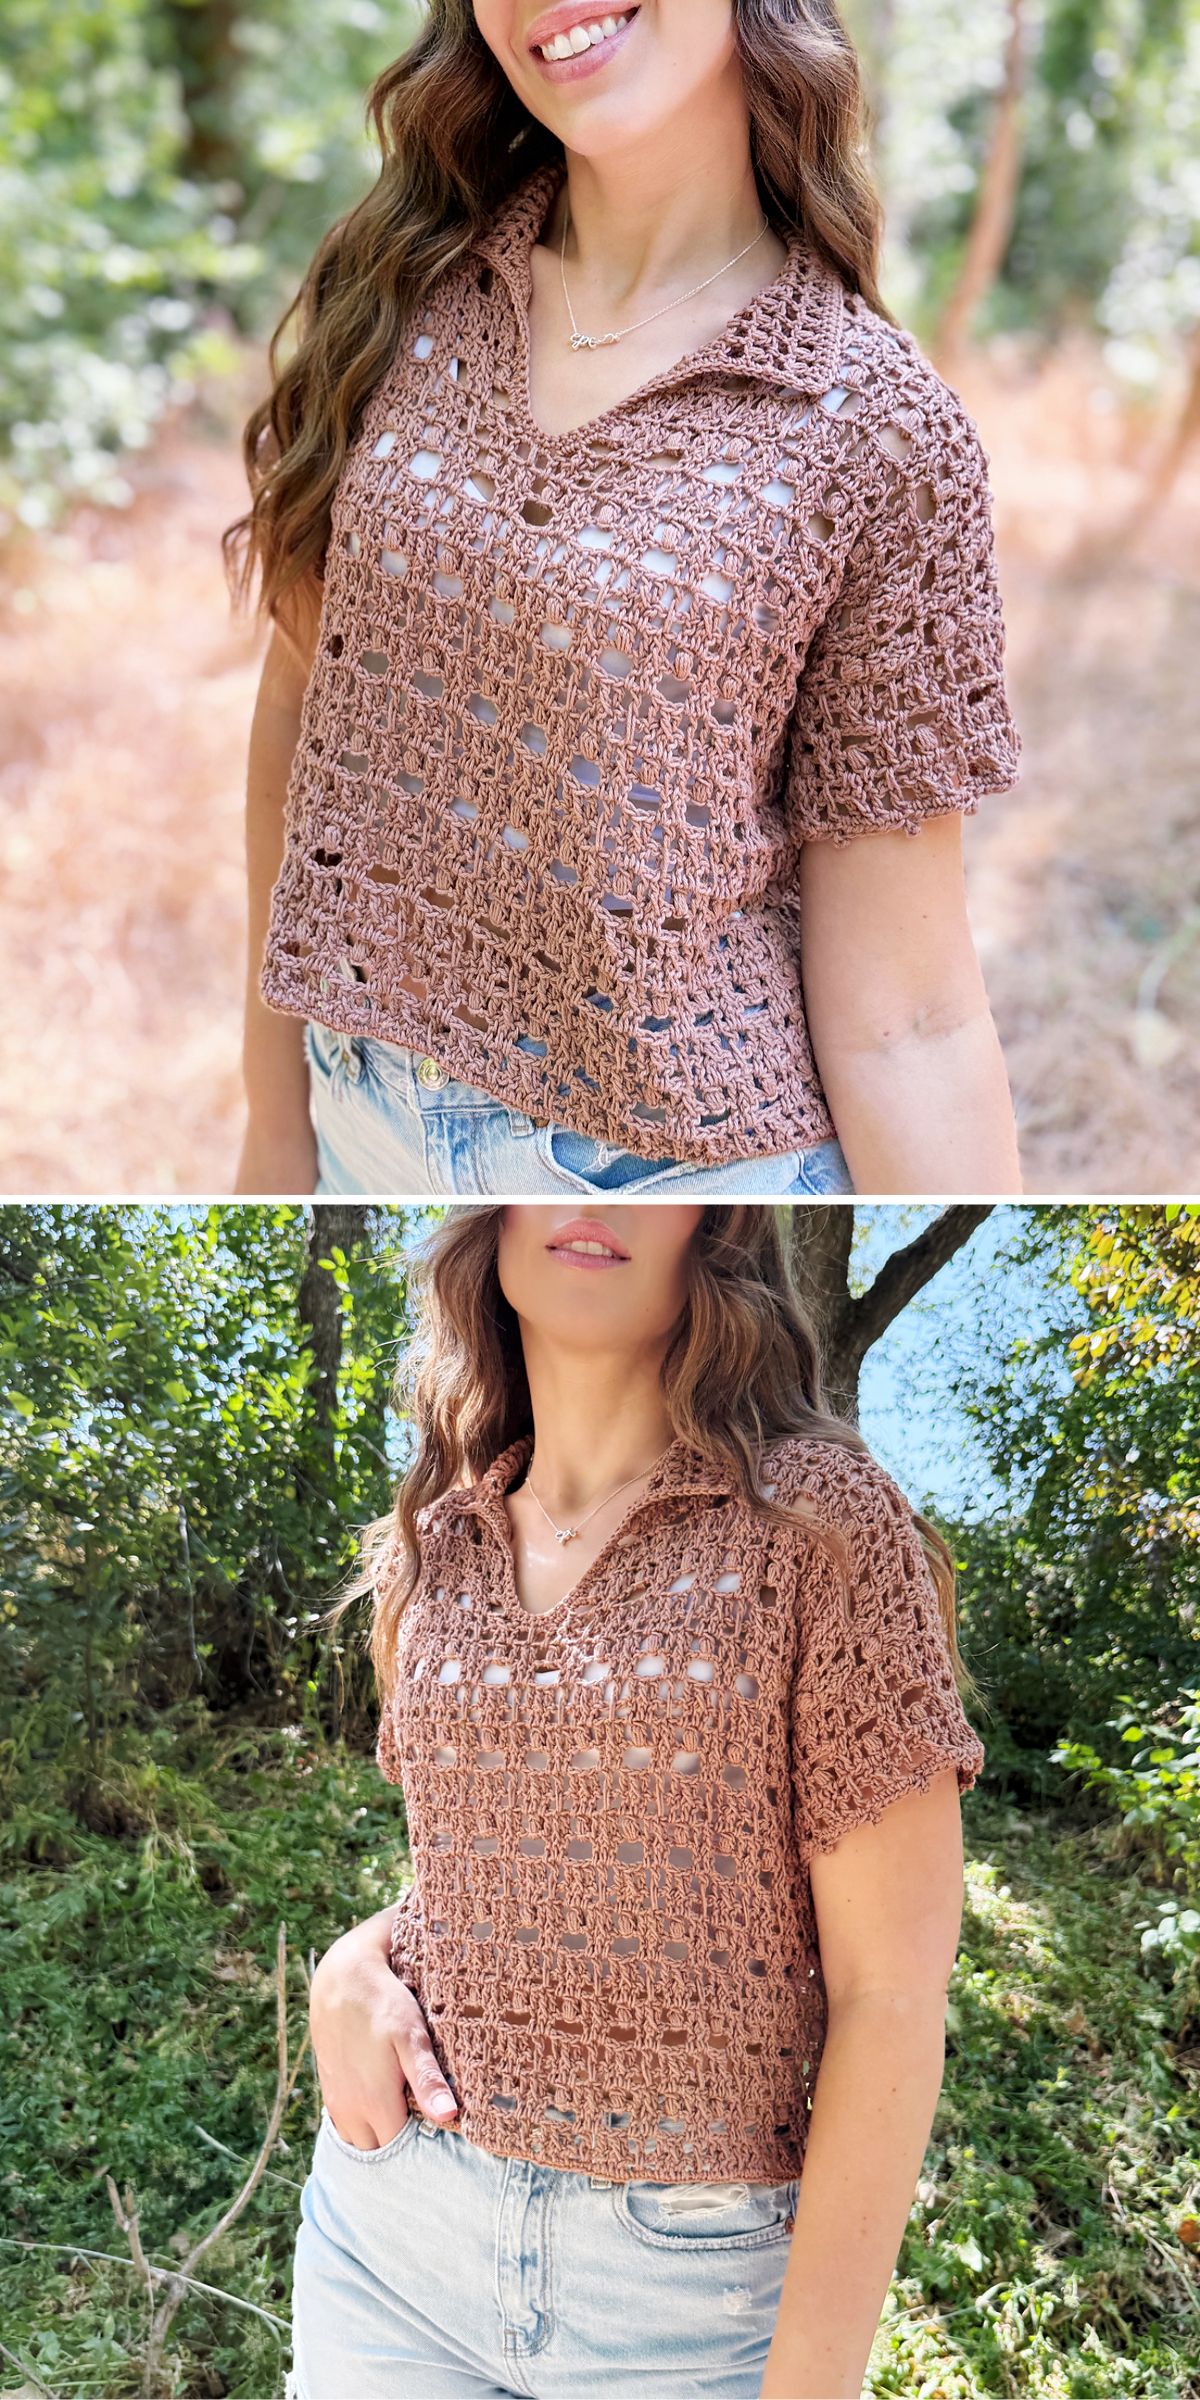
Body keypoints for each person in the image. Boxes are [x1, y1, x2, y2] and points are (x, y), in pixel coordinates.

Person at [226, 3, 1025, 1204]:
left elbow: (910, 1018)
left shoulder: (879, 434)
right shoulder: (402, 284)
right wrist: (274, 1128)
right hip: (359, 1121)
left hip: (672, 1181)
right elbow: (305, 710)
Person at [286, 1201, 987, 2398]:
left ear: (718, 1222)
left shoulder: (817, 1525)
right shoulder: (437, 1545)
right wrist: (350, 1965)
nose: (593, 1193)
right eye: (539, 1163)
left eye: (644, 1170)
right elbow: (490, 1874)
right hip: (392, 2244)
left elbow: (890, 1993)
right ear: (490, 1218)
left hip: (687, 2297)